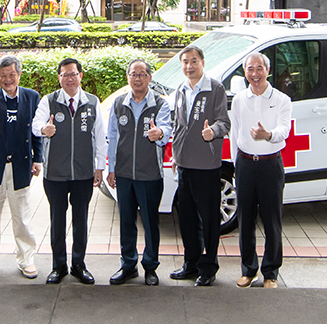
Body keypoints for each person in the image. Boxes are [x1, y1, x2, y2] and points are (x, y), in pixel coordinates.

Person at [32, 57, 107, 285]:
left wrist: (100, 167)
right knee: (57, 219)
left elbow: (100, 138)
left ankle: (79, 265)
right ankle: (58, 266)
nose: (69, 79)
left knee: (81, 220)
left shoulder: (92, 102)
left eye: (73, 74)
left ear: (80, 76)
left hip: (83, 173)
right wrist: (44, 129)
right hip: (55, 174)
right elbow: (35, 124)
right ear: (59, 78)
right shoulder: (49, 101)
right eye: (65, 75)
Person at [0, 55, 43, 282]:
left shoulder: (32, 97)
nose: (7, 79)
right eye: (2, 76)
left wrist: (38, 158)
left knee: (22, 216)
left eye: (11, 75)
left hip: (21, 165)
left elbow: (36, 131)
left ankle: (26, 259)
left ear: (19, 75)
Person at [106, 59, 173, 286]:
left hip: (150, 175)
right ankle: (128, 265)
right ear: (128, 77)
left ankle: (151, 266)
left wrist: (159, 133)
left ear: (149, 78)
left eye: (142, 74)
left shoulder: (160, 104)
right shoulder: (118, 104)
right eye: (133, 74)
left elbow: (166, 127)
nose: (137, 78)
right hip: (124, 174)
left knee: (150, 222)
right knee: (126, 221)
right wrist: (111, 169)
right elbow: (112, 138)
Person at [169, 45, 230, 287]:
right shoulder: (181, 89)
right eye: (185, 62)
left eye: (194, 61)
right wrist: (175, 154)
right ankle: (191, 263)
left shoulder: (215, 88)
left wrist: (212, 131)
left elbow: (224, 122)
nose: (189, 66)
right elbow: (178, 125)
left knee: (209, 220)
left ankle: (208, 267)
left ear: (202, 62)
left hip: (207, 165)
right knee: (187, 219)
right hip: (184, 164)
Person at [229, 52, 291, 289]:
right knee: (244, 220)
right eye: (249, 69)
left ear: (268, 70)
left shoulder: (282, 99)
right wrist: (236, 164)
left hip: (270, 164)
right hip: (245, 164)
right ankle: (248, 270)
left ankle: (271, 272)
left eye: (259, 69)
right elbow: (236, 133)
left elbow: (284, 130)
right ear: (244, 72)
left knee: (272, 220)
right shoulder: (239, 99)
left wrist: (269, 135)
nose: (254, 74)